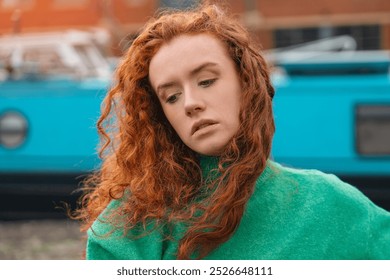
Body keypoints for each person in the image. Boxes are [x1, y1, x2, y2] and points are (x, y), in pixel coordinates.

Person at [75, 4, 390, 260]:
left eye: (207, 81)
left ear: (246, 84)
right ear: (161, 116)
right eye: (171, 96)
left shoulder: (329, 204)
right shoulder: (130, 228)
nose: (191, 104)